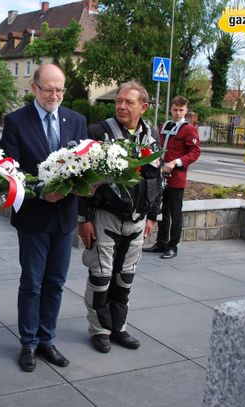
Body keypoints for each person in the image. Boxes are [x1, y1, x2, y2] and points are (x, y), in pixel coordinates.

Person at [1, 64, 87, 372]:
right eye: (49, 89)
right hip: (34, 217)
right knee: (33, 282)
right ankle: (28, 343)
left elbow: (84, 163)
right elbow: (9, 170)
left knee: (56, 282)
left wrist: (83, 184)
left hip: (65, 216)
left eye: (60, 90)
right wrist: (41, 190)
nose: (55, 95)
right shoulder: (15, 122)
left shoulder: (76, 120)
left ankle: (47, 340)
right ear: (35, 88)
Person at [78, 80, 162, 354]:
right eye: (119, 101)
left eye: (129, 102)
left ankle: (118, 327)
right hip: (105, 217)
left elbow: (155, 178)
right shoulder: (98, 133)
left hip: (137, 221)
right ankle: (99, 329)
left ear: (144, 107)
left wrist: (152, 215)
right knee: (101, 276)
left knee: (125, 278)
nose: (122, 106)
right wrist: (84, 218)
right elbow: (82, 179)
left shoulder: (151, 137)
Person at [143, 96, 201, 259]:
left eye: (181, 110)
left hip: (176, 176)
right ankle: (161, 243)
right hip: (160, 173)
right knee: (163, 211)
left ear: (186, 111)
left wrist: (176, 162)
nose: (177, 113)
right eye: (175, 109)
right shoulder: (165, 126)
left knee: (175, 212)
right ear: (171, 109)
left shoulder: (189, 129)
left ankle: (173, 246)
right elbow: (157, 146)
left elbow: (195, 152)